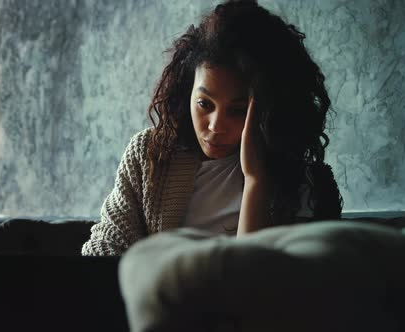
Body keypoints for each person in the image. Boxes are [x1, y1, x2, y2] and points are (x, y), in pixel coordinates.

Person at [82, 0, 342, 256]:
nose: (215, 126)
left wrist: (256, 180)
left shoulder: (300, 184)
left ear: (270, 109)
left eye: (238, 110)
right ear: (188, 93)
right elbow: (104, 244)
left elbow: (259, 284)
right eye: (205, 104)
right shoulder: (150, 155)